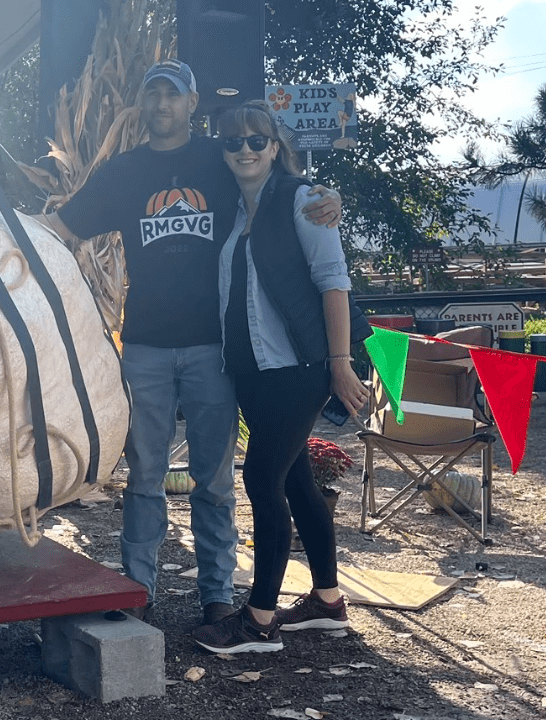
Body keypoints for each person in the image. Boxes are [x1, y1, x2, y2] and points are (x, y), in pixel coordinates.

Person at [43, 61, 341, 626]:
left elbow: (275, 182)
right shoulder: (124, 172)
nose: (162, 105)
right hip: (146, 345)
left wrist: (327, 196)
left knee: (215, 479)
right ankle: (137, 588)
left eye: (172, 96)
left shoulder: (220, 156)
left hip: (215, 348)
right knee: (145, 475)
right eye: (152, 94)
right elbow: (64, 227)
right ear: (142, 103)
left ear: (191, 102)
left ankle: (216, 594)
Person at [191, 100, 370, 654]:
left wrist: (340, 365)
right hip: (254, 370)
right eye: (232, 140)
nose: (243, 148)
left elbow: (333, 282)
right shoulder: (232, 209)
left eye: (256, 139)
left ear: (275, 146)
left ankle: (260, 622)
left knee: (260, 481)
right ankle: (327, 602)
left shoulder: (305, 200)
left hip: (301, 367)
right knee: (296, 482)